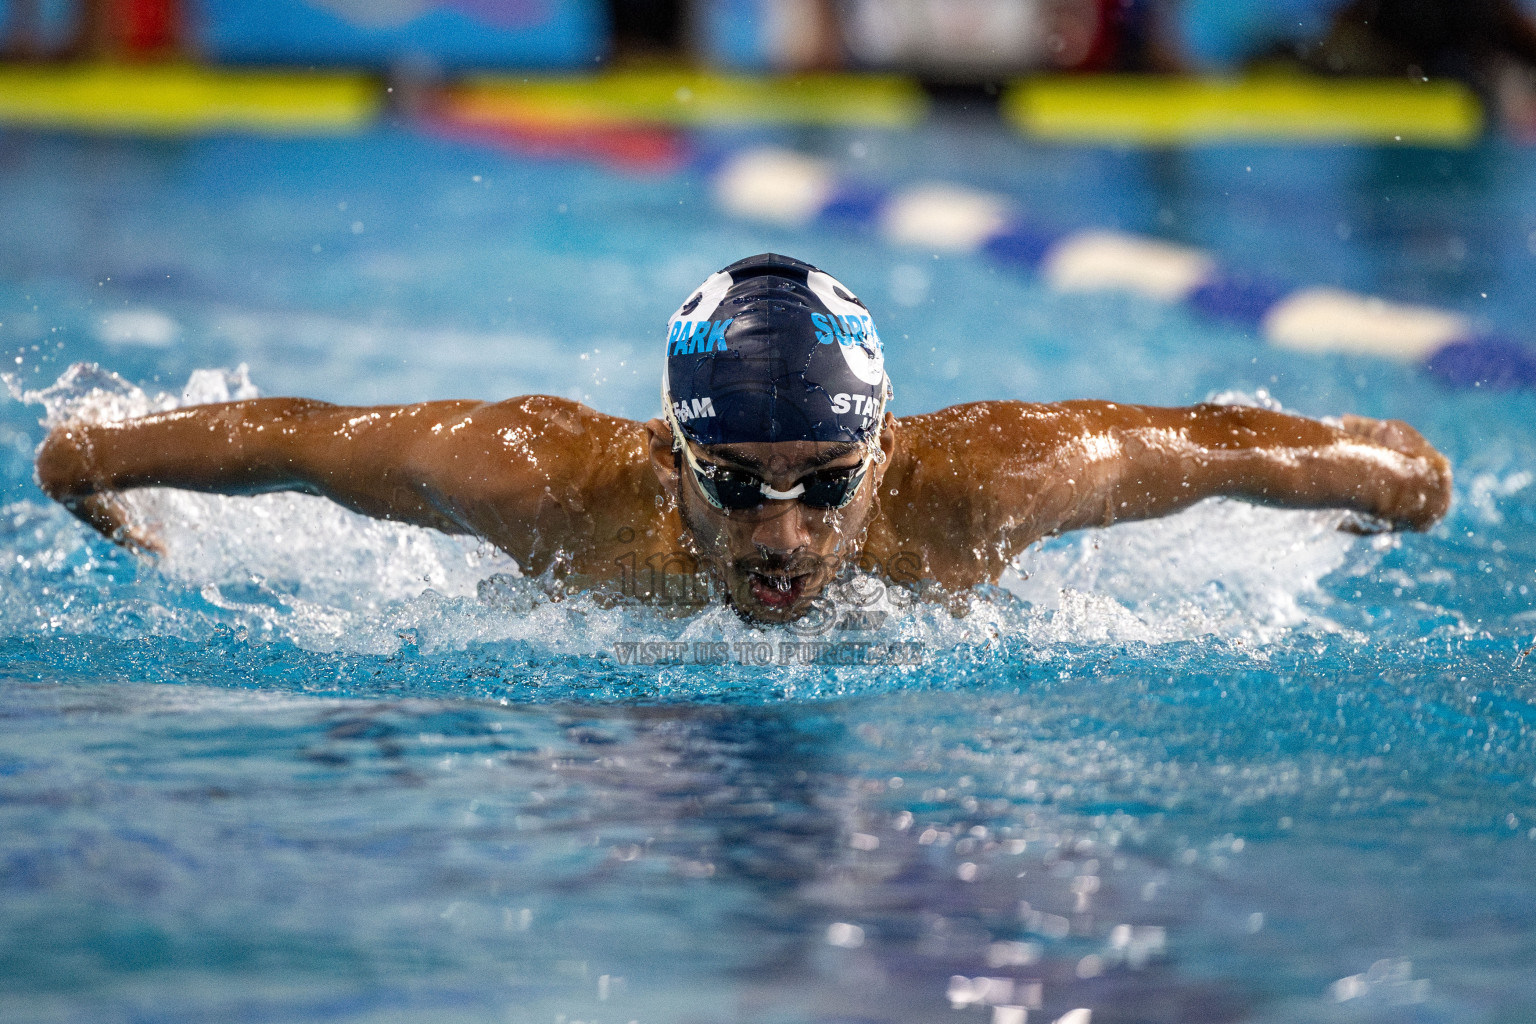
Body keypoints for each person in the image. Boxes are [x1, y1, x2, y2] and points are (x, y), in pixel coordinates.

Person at [35, 253, 1452, 624]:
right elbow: (298, 437)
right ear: (672, 458)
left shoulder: (989, 489)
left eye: (826, 489)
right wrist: (91, 458)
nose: (783, 539)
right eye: (738, 490)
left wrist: (1385, 472)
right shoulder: (542, 482)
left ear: (883, 455)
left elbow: (1209, 443)